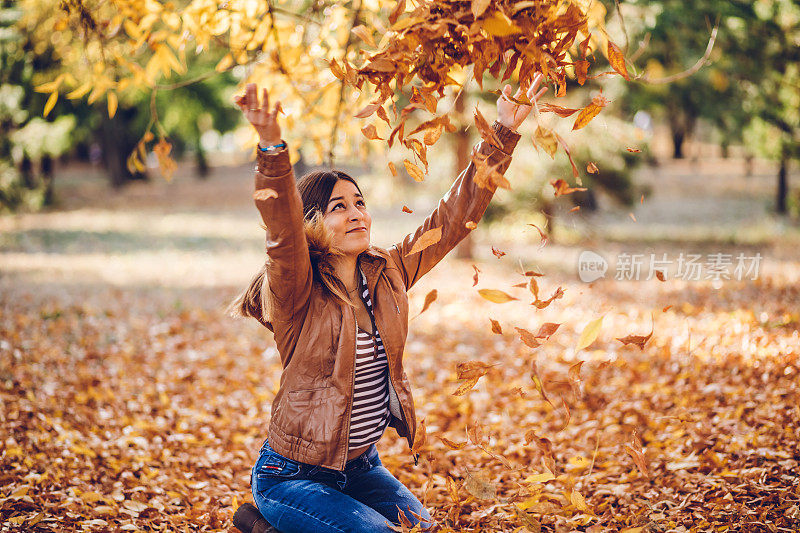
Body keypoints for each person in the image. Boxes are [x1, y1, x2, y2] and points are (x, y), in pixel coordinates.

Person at [228, 75, 547, 533]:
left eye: (360, 202)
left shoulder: (389, 271)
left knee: (426, 529)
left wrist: (501, 133)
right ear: (313, 222)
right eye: (339, 207)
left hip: (360, 469)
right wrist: (273, 149)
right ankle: (274, 519)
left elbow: (453, 220)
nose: (357, 212)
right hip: (291, 476)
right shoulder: (297, 290)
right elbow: (282, 231)